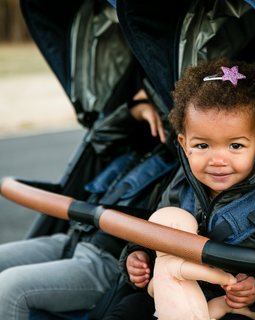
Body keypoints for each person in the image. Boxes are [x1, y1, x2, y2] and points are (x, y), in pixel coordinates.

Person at [112, 57, 255, 320]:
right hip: (177, 291)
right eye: (202, 146)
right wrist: (138, 255)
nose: (218, 160)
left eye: (235, 146)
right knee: (128, 308)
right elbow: (157, 233)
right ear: (184, 143)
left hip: (233, 303)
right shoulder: (182, 186)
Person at [0, 89, 166, 320]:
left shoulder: (185, 162)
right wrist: (136, 110)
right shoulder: (136, 143)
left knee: (10, 288)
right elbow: (100, 137)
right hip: (74, 236)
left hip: (106, 258)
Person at [147, 207, 255, 320]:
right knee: (222, 304)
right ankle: (253, 314)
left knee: (221, 304)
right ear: (176, 229)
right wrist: (228, 279)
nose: (198, 237)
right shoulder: (174, 264)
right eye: (195, 233)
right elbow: (206, 273)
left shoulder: (159, 264)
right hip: (193, 317)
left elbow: (151, 290)